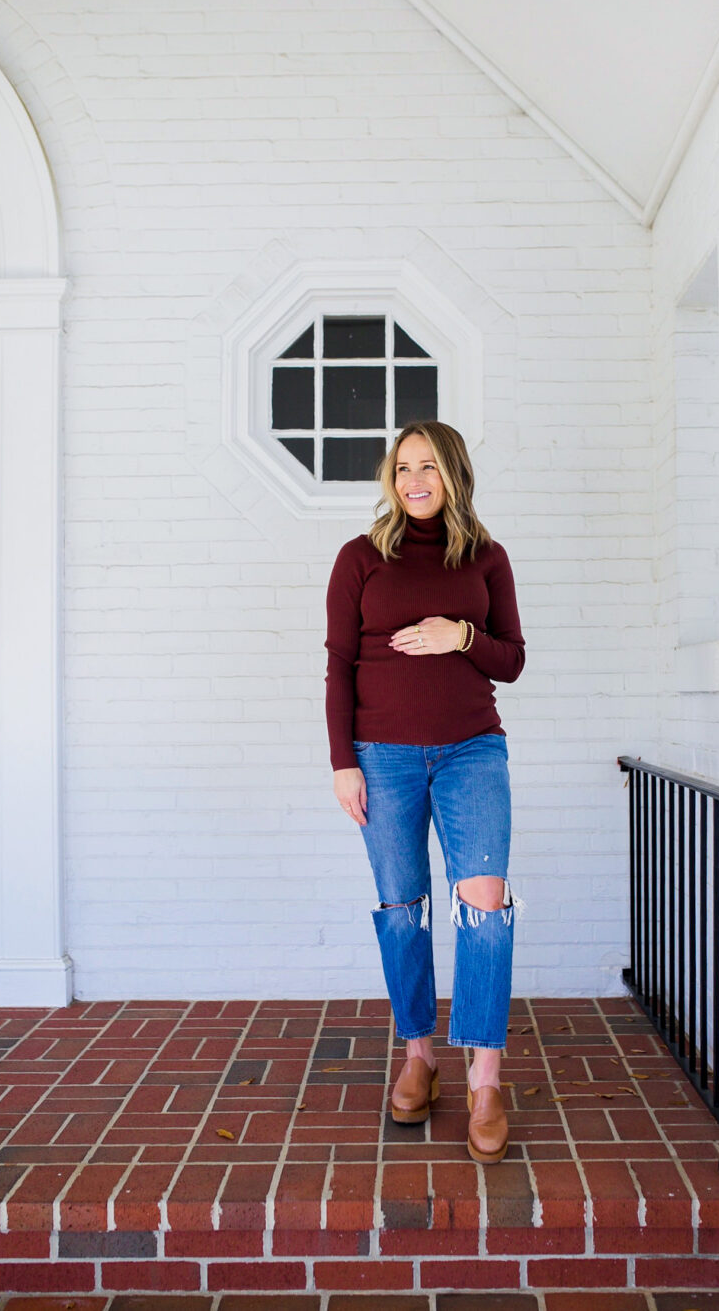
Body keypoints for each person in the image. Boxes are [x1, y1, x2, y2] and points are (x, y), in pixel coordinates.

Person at [324, 419, 526, 1164]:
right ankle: (419, 1055)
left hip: (472, 750)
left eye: (429, 467)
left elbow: (511, 659)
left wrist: (459, 635)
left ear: (454, 476)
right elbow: (338, 664)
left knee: (485, 907)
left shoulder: (486, 557)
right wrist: (343, 762)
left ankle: (484, 1081)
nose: (414, 479)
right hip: (382, 758)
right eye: (404, 466)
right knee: (401, 907)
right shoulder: (359, 558)